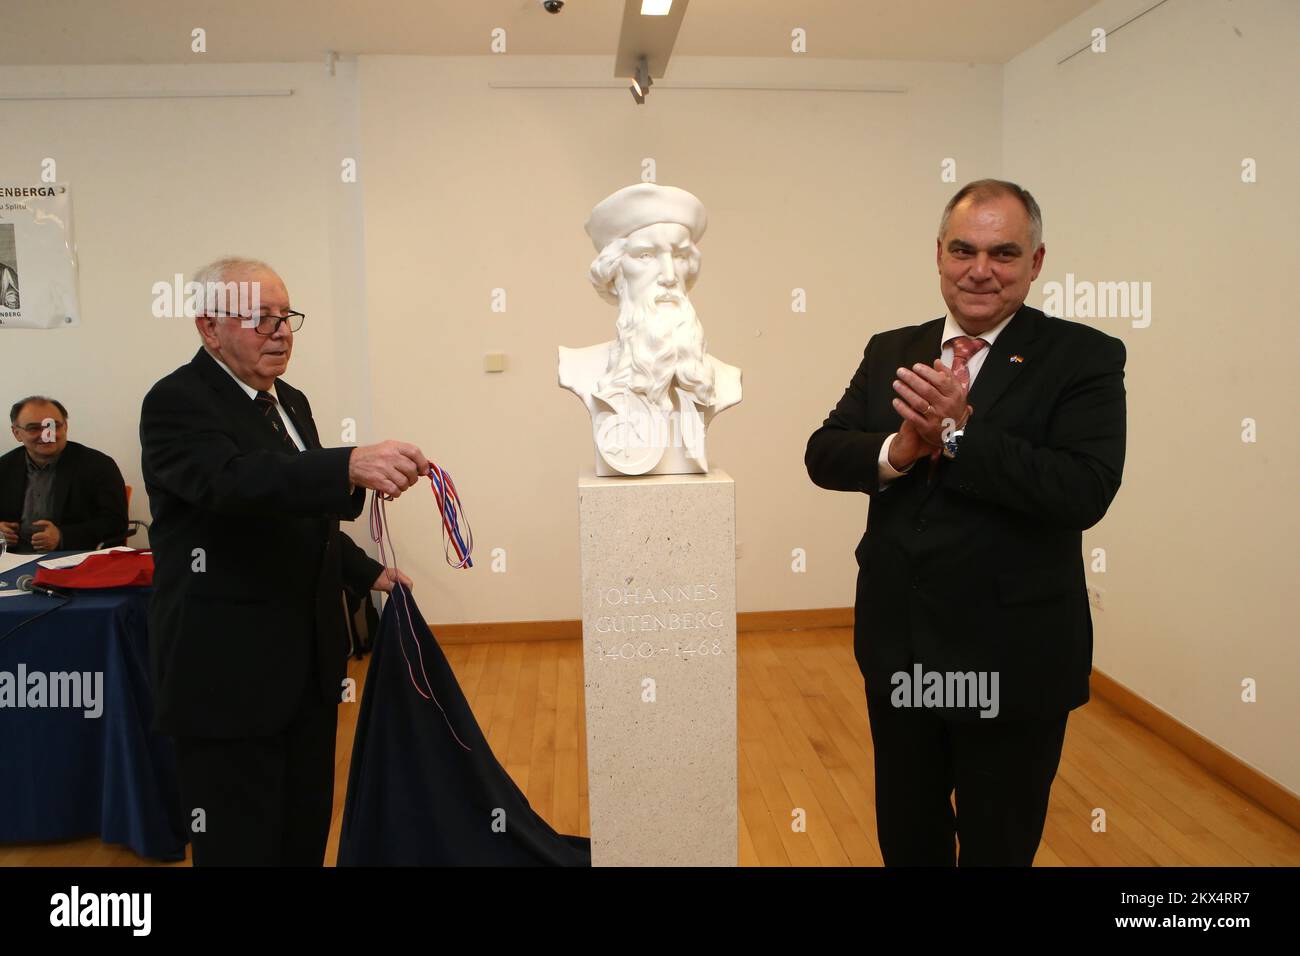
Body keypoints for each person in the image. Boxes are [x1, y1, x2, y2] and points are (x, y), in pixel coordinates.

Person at [804, 180, 1127, 866]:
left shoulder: (1085, 359)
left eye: (1004, 252)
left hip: (1013, 662)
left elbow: (1082, 491)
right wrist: (899, 449)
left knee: (996, 847)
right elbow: (824, 452)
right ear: (939, 255)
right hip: (901, 653)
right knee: (908, 836)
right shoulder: (893, 345)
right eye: (964, 250)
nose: (981, 269)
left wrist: (958, 434)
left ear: (1036, 263)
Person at [139, 256, 428, 866]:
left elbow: (299, 511)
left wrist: (362, 570)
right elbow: (233, 483)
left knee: (302, 827)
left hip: (308, 668)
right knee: (241, 843)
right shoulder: (176, 401)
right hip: (226, 672)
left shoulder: (290, 400)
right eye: (257, 318)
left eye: (285, 316)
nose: (279, 331)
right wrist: (346, 464)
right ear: (207, 328)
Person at [1, 396, 127, 552]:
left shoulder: (98, 465)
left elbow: (116, 523)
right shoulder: (4, 467)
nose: (47, 434)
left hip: (72, 560)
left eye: (53, 426)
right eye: (34, 428)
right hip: (10, 560)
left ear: (65, 426)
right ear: (16, 433)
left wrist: (62, 536)